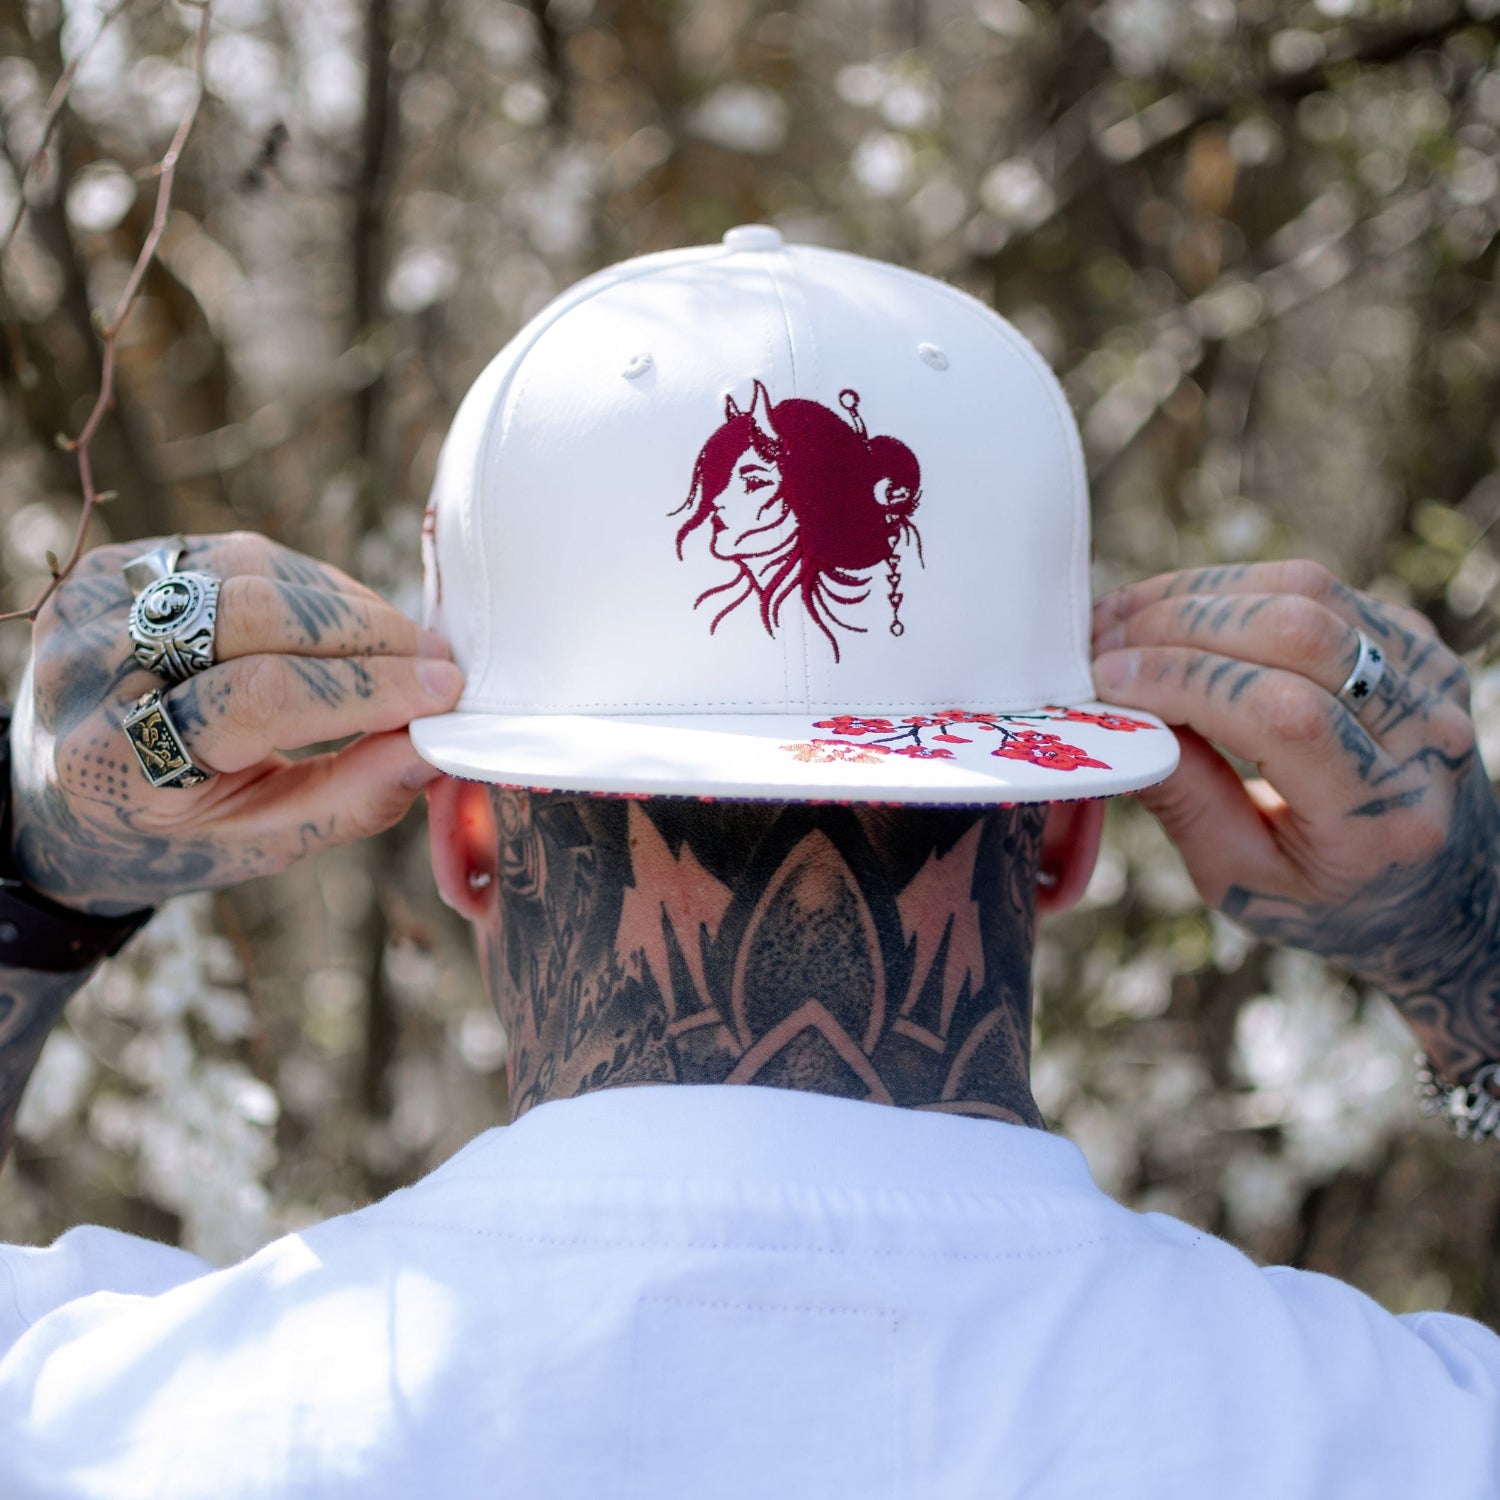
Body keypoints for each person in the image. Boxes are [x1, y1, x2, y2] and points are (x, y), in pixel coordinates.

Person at [1, 227, 1497, 1498]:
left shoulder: (103, 1423)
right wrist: (1464, 944)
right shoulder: (1412, 1438)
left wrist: (42, 887)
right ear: (1069, 830)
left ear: (463, 834)